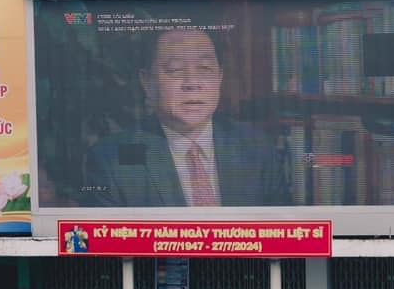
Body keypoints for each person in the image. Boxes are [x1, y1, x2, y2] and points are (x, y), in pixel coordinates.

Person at [81, 26, 283, 207]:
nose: (192, 83)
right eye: (175, 70)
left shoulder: (258, 148)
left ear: (219, 78)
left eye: (205, 69)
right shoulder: (111, 160)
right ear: (147, 82)